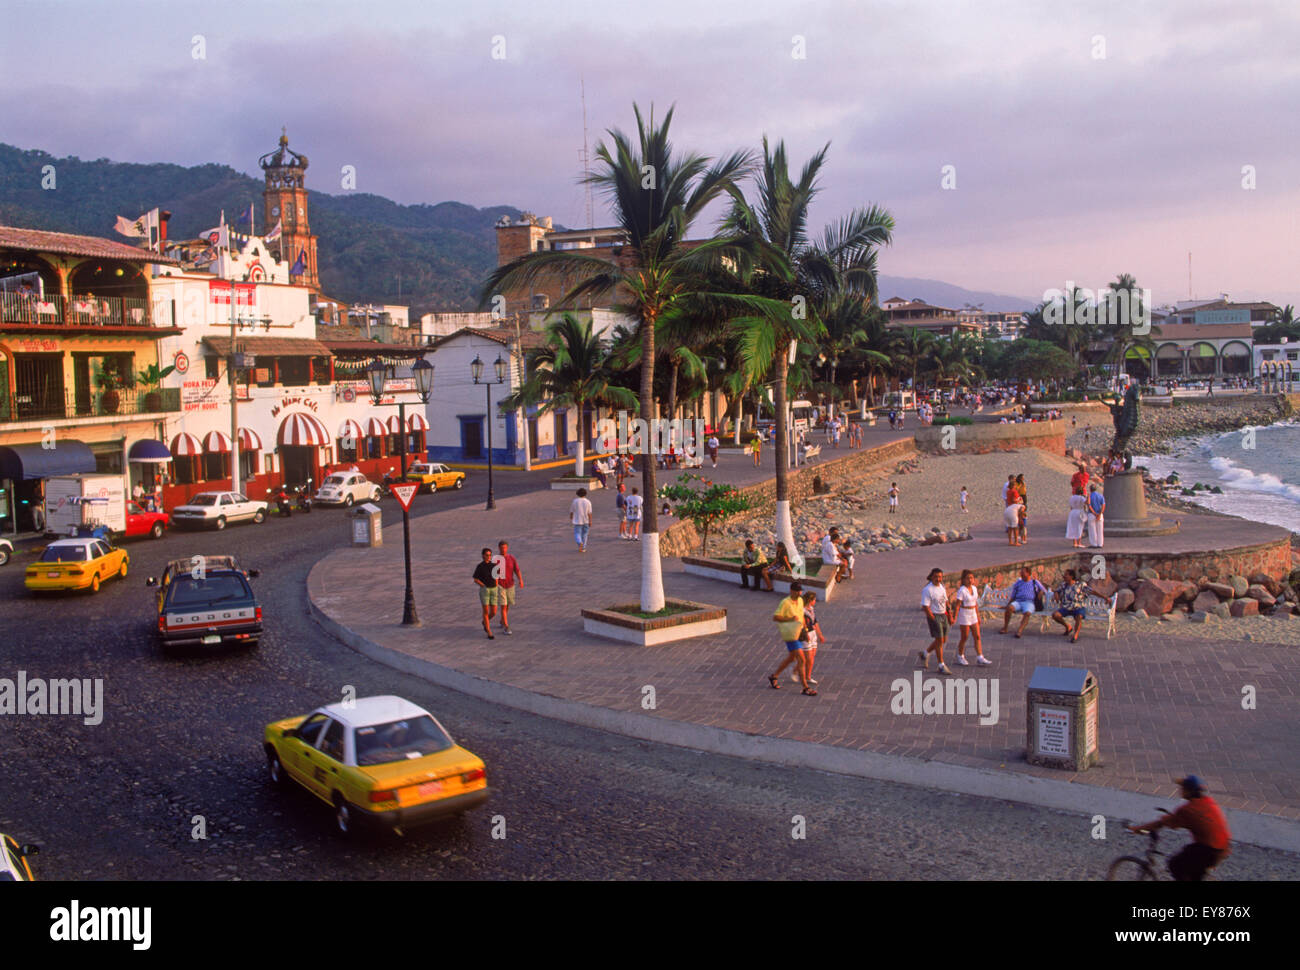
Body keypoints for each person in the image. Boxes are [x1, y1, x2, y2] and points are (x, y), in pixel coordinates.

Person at [1127, 776, 1231, 881]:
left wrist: (1137, 829)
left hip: (1208, 849)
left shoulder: (1187, 809)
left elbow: (1160, 823)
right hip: (1223, 848)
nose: (1180, 790)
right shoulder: (1209, 801)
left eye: (1183, 788)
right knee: (1193, 871)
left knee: (1175, 864)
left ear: (1189, 792)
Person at [768, 582, 816, 695]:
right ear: (791, 591)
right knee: (802, 659)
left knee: (791, 658)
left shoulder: (800, 601)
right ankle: (805, 687)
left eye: (800, 591)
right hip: (790, 634)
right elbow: (775, 617)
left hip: (799, 632)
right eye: (797, 591)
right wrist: (789, 619)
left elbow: (801, 616)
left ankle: (774, 676)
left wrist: (806, 631)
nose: (800, 593)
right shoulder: (785, 602)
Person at [919, 567, 953, 675]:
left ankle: (925, 653)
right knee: (939, 641)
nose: (938, 579)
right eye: (936, 577)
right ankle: (941, 665)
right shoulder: (928, 590)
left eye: (940, 577)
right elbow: (925, 606)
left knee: (943, 640)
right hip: (935, 616)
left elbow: (946, 601)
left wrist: (950, 615)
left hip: (943, 615)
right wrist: (933, 619)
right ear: (931, 577)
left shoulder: (941, 587)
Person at [953, 569, 990, 665]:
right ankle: (960, 656)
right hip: (964, 614)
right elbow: (957, 605)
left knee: (977, 636)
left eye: (971, 578)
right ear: (963, 579)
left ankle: (980, 656)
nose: (970, 580)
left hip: (973, 613)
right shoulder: (962, 590)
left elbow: (975, 603)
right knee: (964, 637)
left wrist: (978, 616)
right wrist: (954, 617)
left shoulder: (974, 588)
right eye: (967, 578)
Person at [998, 566, 1048, 638]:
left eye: (1022, 572)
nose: (1021, 573)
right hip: (1018, 601)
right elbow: (1013, 595)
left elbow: (1045, 590)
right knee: (1009, 608)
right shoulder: (1018, 583)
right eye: (1021, 572)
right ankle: (1005, 628)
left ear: (1028, 573)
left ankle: (1019, 631)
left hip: (1029, 602)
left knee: (1027, 613)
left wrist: (1041, 592)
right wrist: (1008, 605)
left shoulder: (1035, 582)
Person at [1050, 568, 1093, 642]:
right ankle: (1068, 627)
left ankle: (1075, 636)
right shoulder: (1063, 585)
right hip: (1066, 607)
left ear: (1071, 576)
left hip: (1078, 606)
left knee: (1079, 616)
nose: (1064, 576)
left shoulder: (1080, 584)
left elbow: (1092, 591)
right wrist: (1056, 593)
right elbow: (1056, 590)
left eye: (1066, 575)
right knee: (1055, 615)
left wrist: (1105, 598)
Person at [796, 590, 828, 685]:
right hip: (806, 635)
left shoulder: (811, 609)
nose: (815, 601)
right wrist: (805, 634)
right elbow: (801, 623)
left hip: (813, 634)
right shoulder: (802, 610)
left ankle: (804, 673)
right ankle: (806, 677)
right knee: (809, 658)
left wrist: (820, 635)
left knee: (812, 657)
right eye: (814, 600)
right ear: (810, 600)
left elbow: (815, 622)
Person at [494, 540, 523, 635]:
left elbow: (517, 570)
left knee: (507, 605)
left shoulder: (511, 558)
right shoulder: (496, 560)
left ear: (507, 548)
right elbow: (494, 575)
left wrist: (520, 580)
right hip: (500, 585)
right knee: (503, 605)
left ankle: (502, 620)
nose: (504, 549)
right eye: (502, 548)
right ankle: (506, 626)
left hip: (510, 585)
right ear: (499, 548)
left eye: (505, 548)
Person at [472, 547, 500, 640]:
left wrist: (496, 585)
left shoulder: (494, 566)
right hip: (485, 590)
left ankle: (485, 621)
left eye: (490, 555)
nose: (488, 557)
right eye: (487, 555)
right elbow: (475, 579)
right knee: (485, 611)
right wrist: (483, 585)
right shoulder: (480, 566)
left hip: (494, 589)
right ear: (483, 556)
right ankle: (488, 631)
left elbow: (497, 577)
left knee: (494, 611)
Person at [570, 487, 593, 553]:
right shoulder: (588, 502)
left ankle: (579, 542)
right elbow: (590, 513)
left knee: (577, 533)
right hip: (586, 520)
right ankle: (583, 548)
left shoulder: (575, 501)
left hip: (577, 520)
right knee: (585, 534)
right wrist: (590, 521)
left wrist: (571, 516)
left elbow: (572, 510)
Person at [1003, 480, 1023, 546]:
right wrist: (1019, 499)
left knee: (1009, 527)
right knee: (1015, 527)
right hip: (1013, 509)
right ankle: (1016, 542)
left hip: (1008, 508)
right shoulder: (1014, 491)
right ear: (1014, 486)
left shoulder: (1008, 491)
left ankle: (1010, 541)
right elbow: (1014, 500)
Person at [1086, 482, 1105, 548]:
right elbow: (1103, 505)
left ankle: (1094, 544)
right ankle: (1100, 544)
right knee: (1100, 529)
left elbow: (1089, 505)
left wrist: (1094, 513)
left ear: (1090, 489)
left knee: (1092, 529)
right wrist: (1100, 514)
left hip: (1091, 514)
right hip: (1099, 514)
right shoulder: (1100, 495)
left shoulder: (1089, 496)